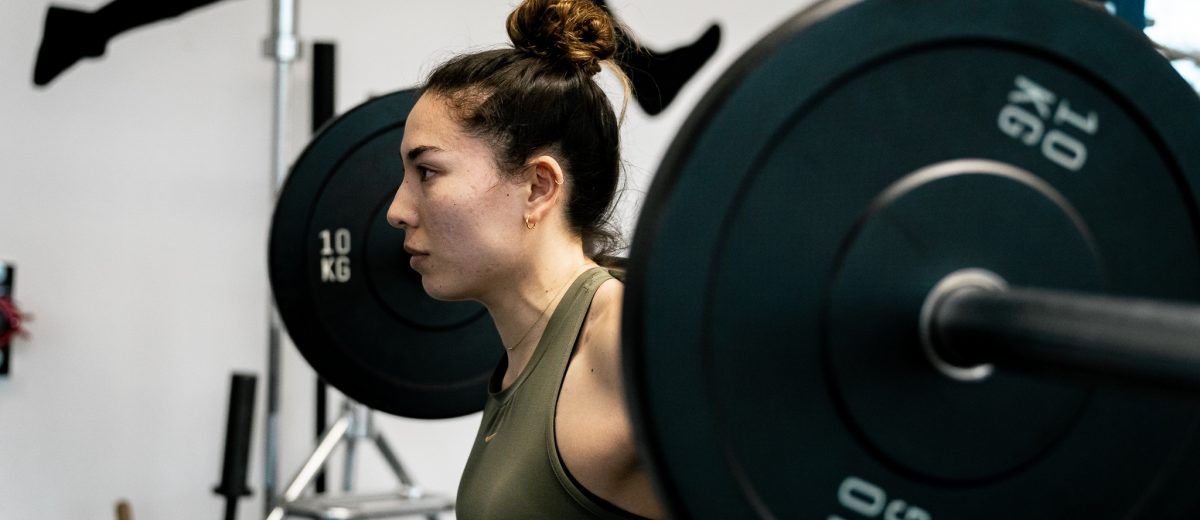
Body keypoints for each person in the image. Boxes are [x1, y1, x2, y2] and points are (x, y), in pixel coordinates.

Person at [385, 0, 665, 518]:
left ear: (538, 186)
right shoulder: (525, 354)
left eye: (427, 172)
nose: (396, 211)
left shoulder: (621, 340)